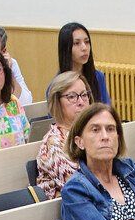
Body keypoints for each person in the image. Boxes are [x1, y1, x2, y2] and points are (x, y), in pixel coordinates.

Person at [35, 71, 94, 200]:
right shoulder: (53, 143)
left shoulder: (93, 131)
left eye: (84, 95)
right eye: (72, 97)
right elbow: (80, 187)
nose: (81, 102)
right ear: (57, 102)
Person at [57, 21, 109, 104]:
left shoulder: (98, 77)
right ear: (66, 49)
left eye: (87, 42)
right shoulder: (57, 84)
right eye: (76, 43)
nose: (84, 48)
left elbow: (106, 109)